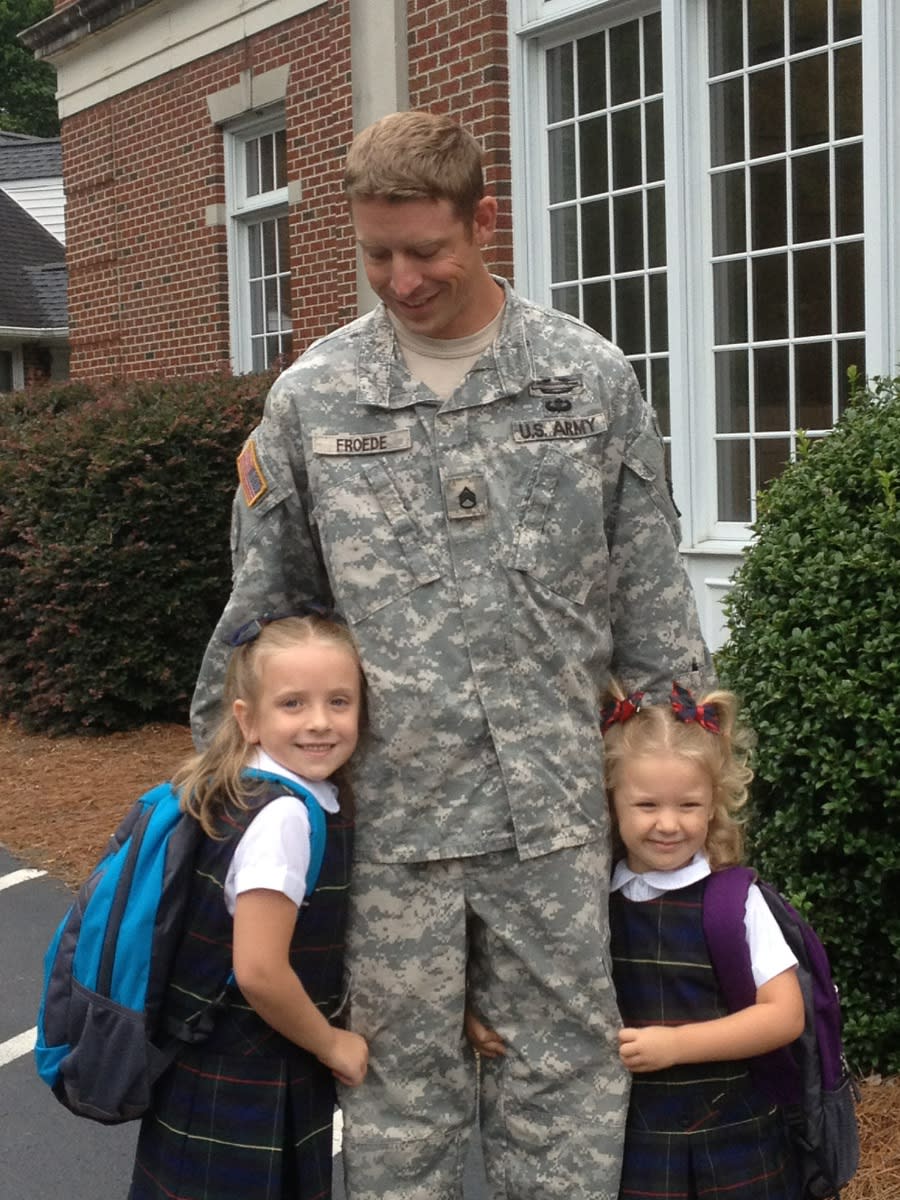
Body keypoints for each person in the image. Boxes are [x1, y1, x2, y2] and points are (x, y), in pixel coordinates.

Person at [190, 109, 714, 1200]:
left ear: (485, 221)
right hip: (387, 832)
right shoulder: (315, 400)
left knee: (567, 1107)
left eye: (425, 250)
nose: (400, 278)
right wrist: (225, 803)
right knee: (396, 1119)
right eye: (375, 253)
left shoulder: (587, 379)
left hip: (558, 824)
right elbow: (260, 617)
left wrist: (690, 806)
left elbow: (655, 607)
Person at [468, 682, 805, 1200]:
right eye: (646, 804)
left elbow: (784, 1016)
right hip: (633, 1145)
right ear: (610, 802)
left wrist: (676, 1045)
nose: (668, 824)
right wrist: (482, 1010)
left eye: (688, 805)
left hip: (735, 1139)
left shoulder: (733, 902)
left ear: (714, 805)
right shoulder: (591, 901)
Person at [130, 612, 369, 1200]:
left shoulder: (244, 788)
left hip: (206, 1068)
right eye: (293, 704)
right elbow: (259, 971)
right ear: (248, 719)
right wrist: (332, 1042)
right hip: (249, 1078)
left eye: (339, 702)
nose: (319, 722)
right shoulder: (285, 816)